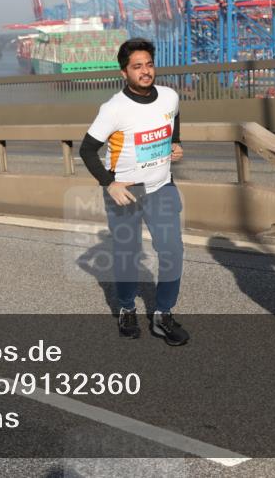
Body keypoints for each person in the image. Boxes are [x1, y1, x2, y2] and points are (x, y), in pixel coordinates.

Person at [79, 38, 189, 346]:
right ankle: (127, 307)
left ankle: (163, 315)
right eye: (137, 67)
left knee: (172, 252)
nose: (145, 72)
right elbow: (87, 150)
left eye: (149, 64)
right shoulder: (113, 108)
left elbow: (174, 117)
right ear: (124, 72)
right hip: (125, 192)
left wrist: (174, 143)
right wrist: (109, 183)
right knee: (127, 255)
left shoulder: (169, 96)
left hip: (161, 186)